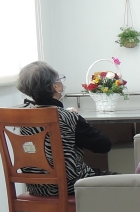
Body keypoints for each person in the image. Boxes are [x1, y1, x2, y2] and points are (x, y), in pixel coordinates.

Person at [15, 61, 112, 196]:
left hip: (36, 188)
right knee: (126, 185)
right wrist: (77, 119)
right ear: (55, 86)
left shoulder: (23, 117)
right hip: (70, 186)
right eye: (59, 79)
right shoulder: (67, 117)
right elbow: (103, 145)